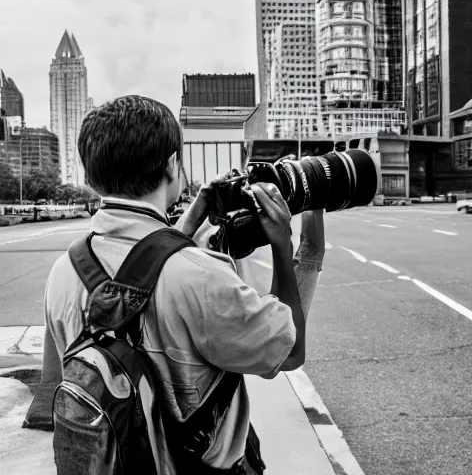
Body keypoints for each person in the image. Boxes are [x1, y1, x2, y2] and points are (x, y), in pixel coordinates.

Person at [43, 95, 325, 473]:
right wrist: (281, 242)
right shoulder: (201, 276)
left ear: (91, 176)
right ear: (173, 164)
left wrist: (189, 222)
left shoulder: (64, 272)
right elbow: (289, 351)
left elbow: (140, 271)